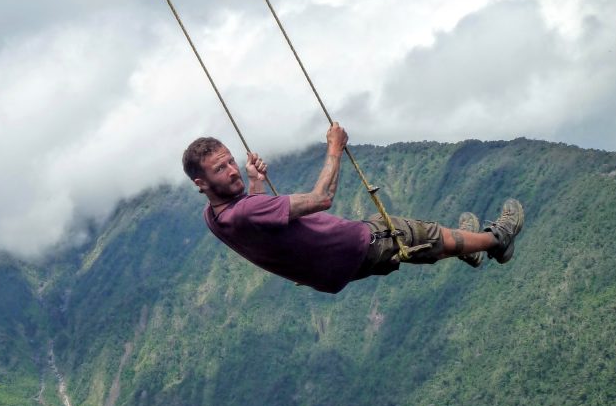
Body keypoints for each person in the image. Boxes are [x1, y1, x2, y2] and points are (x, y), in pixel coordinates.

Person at [182, 123, 524, 295]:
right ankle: (497, 241)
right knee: (418, 234)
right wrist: (335, 148)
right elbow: (321, 199)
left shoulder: (213, 216)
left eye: (230, 162)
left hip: (327, 271)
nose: (231, 171)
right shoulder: (244, 212)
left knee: (406, 238)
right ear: (201, 182)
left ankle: (467, 249)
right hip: (353, 247)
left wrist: (256, 181)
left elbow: (255, 220)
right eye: (219, 169)